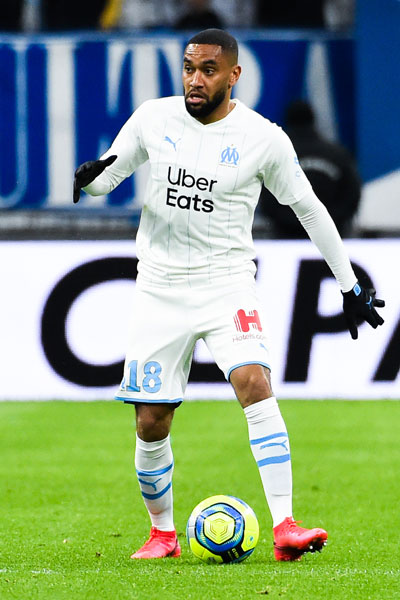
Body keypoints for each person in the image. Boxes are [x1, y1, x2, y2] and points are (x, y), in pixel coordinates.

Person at [73, 29, 385, 561]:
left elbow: (310, 210)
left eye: (208, 70)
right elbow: (107, 177)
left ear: (233, 75)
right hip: (159, 287)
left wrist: (348, 283)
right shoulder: (153, 118)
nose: (195, 79)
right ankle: (163, 534)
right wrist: (89, 180)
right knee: (151, 420)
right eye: (189, 67)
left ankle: (285, 526)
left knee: (254, 382)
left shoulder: (264, 138)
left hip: (227, 283)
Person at [260, 100, 361, 238]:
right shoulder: (337, 154)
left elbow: (266, 199)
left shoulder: (277, 155)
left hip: (287, 238)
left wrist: (292, 222)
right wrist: (327, 221)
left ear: (287, 120)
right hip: (329, 235)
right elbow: (352, 195)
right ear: (313, 119)